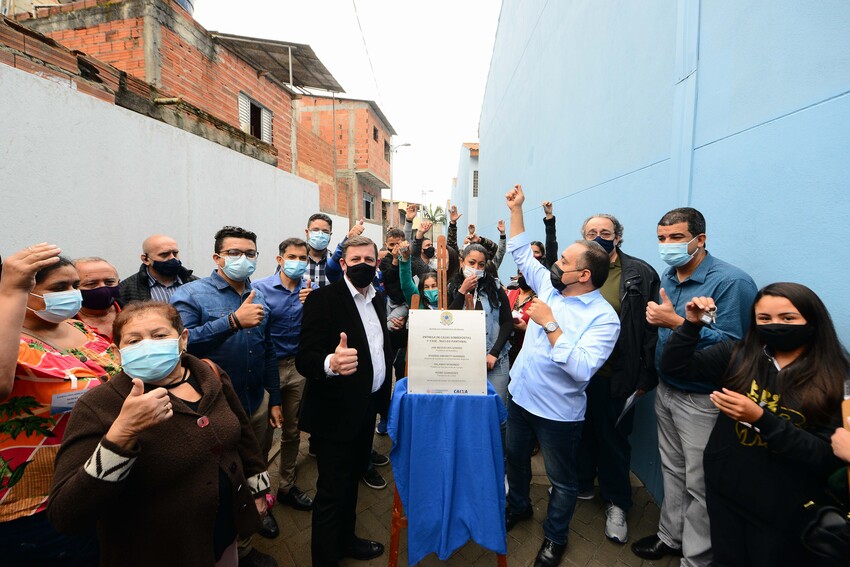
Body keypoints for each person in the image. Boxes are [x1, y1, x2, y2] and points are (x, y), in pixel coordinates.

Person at [48, 301, 272, 566]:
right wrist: (121, 434)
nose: (148, 346)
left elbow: (243, 434)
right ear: (118, 353)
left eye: (159, 336)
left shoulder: (209, 374)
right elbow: (66, 514)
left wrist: (258, 490)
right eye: (134, 340)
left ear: (182, 339)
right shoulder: (99, 405)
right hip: (159, 551)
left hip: (222, 535)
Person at [659, 282, 848, 566]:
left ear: (812, 320)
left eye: (787, 318)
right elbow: (674, 367)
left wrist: (760, 419)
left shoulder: (837, 379)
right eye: (764, 319)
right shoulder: (740, 355)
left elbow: (825, 457)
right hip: (727, 490)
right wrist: (690, 325)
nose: (775, 326)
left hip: (784, 507)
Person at [632, 207, 758, 565]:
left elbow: (734, 347)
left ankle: (696, 559)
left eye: (676, 238)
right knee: (672, 471)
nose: (667, 245)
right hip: (667, 390)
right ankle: (670, 538)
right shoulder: (668, 276)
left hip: (704, 399)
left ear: (699, 240)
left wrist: (675, 322)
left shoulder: (731, 283)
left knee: (700, 485)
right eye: (661, 238)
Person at [503, 185, 620, 567]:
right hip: (520, 399)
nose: (556, 265)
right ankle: (518, 506)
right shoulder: (551, 288)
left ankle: (555, 538)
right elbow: (522, 252)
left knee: (562, 481)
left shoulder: (604, 317)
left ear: (583, 275)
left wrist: (550, 325)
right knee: (515, 461)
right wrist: (516, 209)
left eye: (564, 262)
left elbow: (583, 367)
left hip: (558, 414)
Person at [0, 245, 119, 565]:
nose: (71, 294)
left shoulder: (81, 328)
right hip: (36, 501)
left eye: (73, 286)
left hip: (100, 478)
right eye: (58, 288)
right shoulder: (11, 342)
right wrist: (10, 289)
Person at [171, 226, 281, 567]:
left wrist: (274, 398)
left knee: (253, 465)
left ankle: (253, 519)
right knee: (219, 481)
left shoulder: (259, 295)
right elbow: (182, 347)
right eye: (234, 253)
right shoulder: (191, 295)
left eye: (250, 253)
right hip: (211, 408)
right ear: (217, 257)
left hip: (254, 402)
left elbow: (268, 350)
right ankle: (227, 549)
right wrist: (232, 321)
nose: (243, 259)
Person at [296, 235, 393, 567]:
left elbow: (379, 348)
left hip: (366, 410)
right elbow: (304, 358)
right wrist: (330, 364)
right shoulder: (324, 299)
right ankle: (325, 559)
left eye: (369, 260)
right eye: (356, 260)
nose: (363, 265)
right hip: (334, 414)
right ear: (342, 263)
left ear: (377, 264)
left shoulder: (378, 300)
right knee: (331, 493)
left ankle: (346, 541)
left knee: (352, 484)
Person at [574, 213, 660, 544]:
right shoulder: (576, 272)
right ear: (582, 237)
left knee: (613, 441)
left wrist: (645, 375)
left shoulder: (639, 273)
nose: (599, 236)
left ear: (618, 237)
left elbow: (650, 329)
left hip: (618, 375)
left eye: (605, 232)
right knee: (580, 434)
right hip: (578, 376)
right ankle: (581, 484)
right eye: (591, 232)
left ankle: (617, 503)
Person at [252, 238, 316, 512]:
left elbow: (317, 330)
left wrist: (313, 305)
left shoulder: (311, 290)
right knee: (263, 436)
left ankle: (286, 485)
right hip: (269, 368)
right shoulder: (260, 289)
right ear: (280, 259)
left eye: (303, 258)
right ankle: (260, 495)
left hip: (299, 368)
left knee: (292, 431)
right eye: (293, 257)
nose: (298, 262)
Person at [447, 243, 513, 405]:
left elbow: (507, 322)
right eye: (472, 263)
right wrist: (462, 292)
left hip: (495, 361)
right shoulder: (452, 288)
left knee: (497, 410)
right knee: (470, 408)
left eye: (481, 265)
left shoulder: (495, 288)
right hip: (464, 360)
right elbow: (447, 321)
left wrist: (494, 353)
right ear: (462, 262)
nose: (476, 267)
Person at [119, 234, 197, 303]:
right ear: (146, 259)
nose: (172, 258)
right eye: (164, 254)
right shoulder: (127, 289)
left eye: (175, 253)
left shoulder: (195, 284)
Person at [74, 256, 121, 342]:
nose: (103, 288)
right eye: (91, 284)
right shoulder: (62, 323)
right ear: (74, 288)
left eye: (109, 282)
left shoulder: (138, 316)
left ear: (118, 283)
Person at [506, 269, 536, 367]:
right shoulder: (509, 294)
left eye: (527, 274)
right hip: (505, 349)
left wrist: (526, 329)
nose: (523, 277)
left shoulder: (539, 299)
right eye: (520, 274)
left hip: (526, 351)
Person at [304, 213, 342, 287]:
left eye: (325, 232)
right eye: (315, 230)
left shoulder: (336, 263)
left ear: (330, 235)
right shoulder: (294, 260)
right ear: (307, 232)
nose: (320, 235)